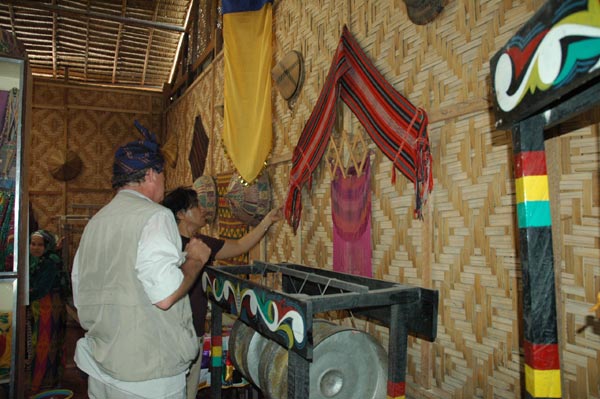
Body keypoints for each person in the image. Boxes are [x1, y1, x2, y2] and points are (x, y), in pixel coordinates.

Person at [71, 125, 211, 399]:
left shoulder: (96, 223)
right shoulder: (155, 216)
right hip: (148, 376)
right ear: (150, 174)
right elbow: (165, 295)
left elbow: (80, 293)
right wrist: (194, 260)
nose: (164, 184)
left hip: (102, 367)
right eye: (163, 175)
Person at [162, 186, 282, 399]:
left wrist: (267, 221)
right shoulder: (165, 247)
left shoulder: (202, 244)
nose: (203, 210)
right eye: (196, 206)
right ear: (181, 214)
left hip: (194, 334)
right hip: (168, 337)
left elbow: (239, 245)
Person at [27, 229, 70, 394]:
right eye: (33, 244)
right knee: (44, 343)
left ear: (48, 246)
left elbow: (41, 289)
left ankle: (41, 385)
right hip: (43, 307)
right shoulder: (35, 261)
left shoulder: (50, 261)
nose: (35, 248)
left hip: (50, 307)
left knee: (44, 344)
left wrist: (26, 296)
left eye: (40, 245)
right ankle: (48, 382)